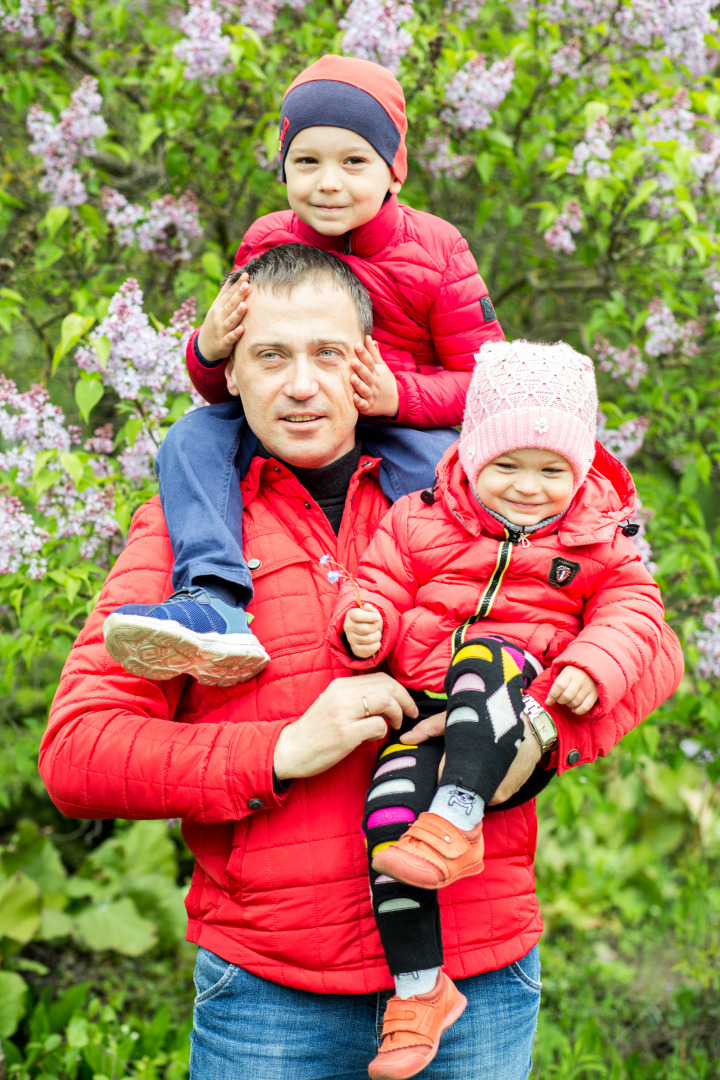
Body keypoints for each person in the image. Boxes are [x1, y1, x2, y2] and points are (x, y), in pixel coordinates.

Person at [41, 249, 684, 1080]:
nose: (301, 384)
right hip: (272, 994)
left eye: (329, 354)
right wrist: (278, 749)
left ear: (368, 366)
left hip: (475, 974)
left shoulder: (475, 502)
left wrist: (544, 733)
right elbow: (78, 754)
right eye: (271, 355)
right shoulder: (187, 532)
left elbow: (652, 646)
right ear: (231, 372)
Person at [102, 53, 505, 687]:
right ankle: (213, 598)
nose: (328, 183)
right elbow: (226, 381)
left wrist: (401, 397)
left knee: (445, 475)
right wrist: (206, 348)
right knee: (191, 439)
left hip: (394, 418)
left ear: (393, 171)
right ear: (284, 167)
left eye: (354, 162)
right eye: (307, 161)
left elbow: (490, 380)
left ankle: (457, 610)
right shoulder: (266, 241)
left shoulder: (436, 250)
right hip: (289, 417)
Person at [326, 339, 671, 1078]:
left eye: (552, 470)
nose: (527, 487)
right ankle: (421, 993)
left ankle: (458, 815)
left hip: (514, 707)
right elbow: (378, 588)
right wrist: (367, 626)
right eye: (506, 465)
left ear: (579, 471)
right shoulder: (420, 519)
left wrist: (588, 668)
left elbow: (636, 612)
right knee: (388, 831)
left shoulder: (598, 538)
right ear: (471, 455)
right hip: (426, 709)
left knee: (485, 652)